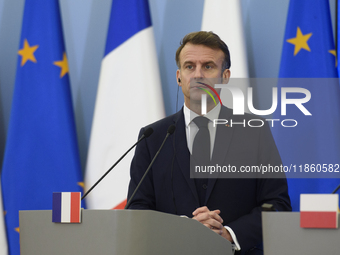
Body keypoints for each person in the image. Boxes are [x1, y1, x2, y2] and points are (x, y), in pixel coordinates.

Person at [127, 31, 291, 255]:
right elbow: (137, 210)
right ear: (178, 76)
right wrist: (183, 229)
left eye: (208, 66)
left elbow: (277, 205)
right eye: (189, 66)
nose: (197, 75)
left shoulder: (255, 132)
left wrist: (230, 234)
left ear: (225, 77)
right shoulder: (152, 137)